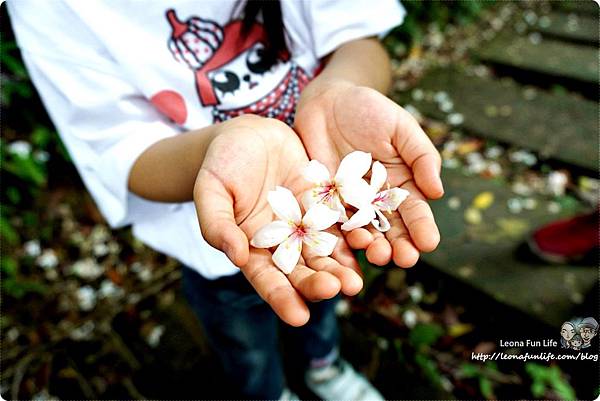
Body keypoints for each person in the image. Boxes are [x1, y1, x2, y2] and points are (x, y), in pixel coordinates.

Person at [7, 1, 443, 399]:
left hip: (325, 223)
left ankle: (323, 367)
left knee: (324, 297)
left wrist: (338, 89)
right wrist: (223, 144)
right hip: (219, 242)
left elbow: (358, 36)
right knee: (245, 344)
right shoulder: (52, 9)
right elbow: (121, 153)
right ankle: (269, 394)